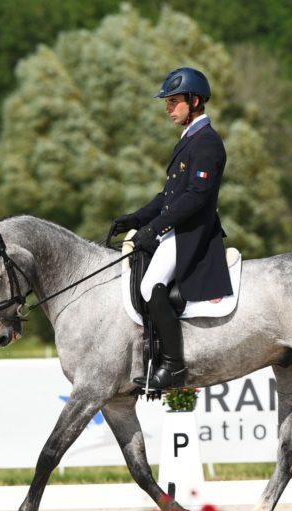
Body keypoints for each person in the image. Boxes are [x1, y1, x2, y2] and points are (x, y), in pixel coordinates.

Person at [109, 67, 233, 390]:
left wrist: (155, 228)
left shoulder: (207, 143)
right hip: (176, 230)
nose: (167, 108)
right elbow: (168, 197)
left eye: (173, 101)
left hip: (193, 234)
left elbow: (195, 197)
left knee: (151, 285)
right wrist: (137, 219)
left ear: (194, 101)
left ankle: (173, 366)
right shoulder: (189, 141)